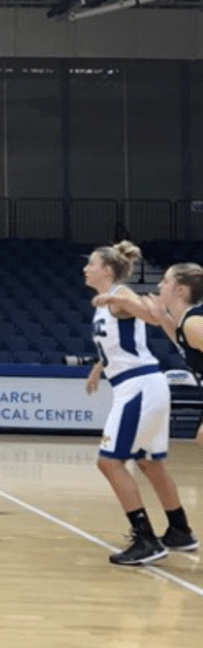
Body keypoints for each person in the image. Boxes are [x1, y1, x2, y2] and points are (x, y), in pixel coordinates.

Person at [84, 241, 197, 565]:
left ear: (106, 270)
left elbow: (150, 315)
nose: (85, 269)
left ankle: (145, 539)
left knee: (109, 462)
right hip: (142, 385)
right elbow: (117, 347)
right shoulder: (108, 303)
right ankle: (179, 530)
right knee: (150, 463)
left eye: (90, 264)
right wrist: (96, 370)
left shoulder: (120, 295)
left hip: (139, 387)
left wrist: (119, 299)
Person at [140, 262, 203, 450]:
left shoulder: (193, 323)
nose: (160, 285)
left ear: (181, 290)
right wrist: (161, 317)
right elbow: (180, 341)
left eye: (166, 281)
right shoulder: (185, 322)